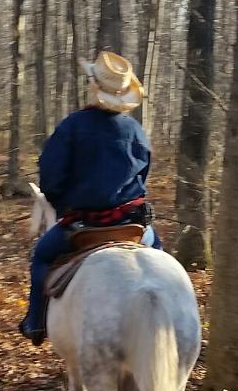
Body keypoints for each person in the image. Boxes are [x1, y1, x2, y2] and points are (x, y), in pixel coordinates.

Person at [19, 51, 162, 346]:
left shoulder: (73, 126)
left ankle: (35, 322)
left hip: (82, 226)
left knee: (42, 257)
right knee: (160, 257)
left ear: (94, 87)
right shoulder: (137, 131)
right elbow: (143, 176)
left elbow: (51, 177)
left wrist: (61, 203)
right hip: (133, 226)